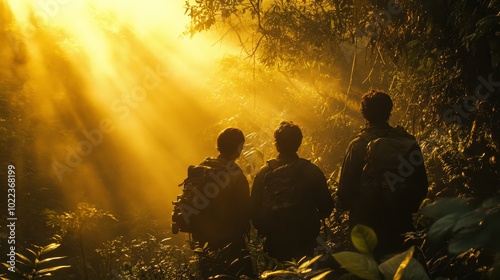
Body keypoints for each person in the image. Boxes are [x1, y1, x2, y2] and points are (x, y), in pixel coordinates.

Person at [337, 90, 428, 260]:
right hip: (400, 224)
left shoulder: (358, 146)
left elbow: (344, 193)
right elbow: (421, 186)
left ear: (364, 114)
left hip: (365, 226)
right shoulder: (408, 143)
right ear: (389, 111)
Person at [251, 121, 334, 262]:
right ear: (299, 142)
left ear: (276, 144)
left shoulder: (265, 172)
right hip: (305, 238)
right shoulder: (311, 171)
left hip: (275, 239)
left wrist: (266, 228)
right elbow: (326, 207)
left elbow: (254, 208)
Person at [189, 128, 254, 279]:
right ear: (238, 148)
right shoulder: (235, 174)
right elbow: (245, 211)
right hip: (231, 242)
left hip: (204, 241)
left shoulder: (203, 166)